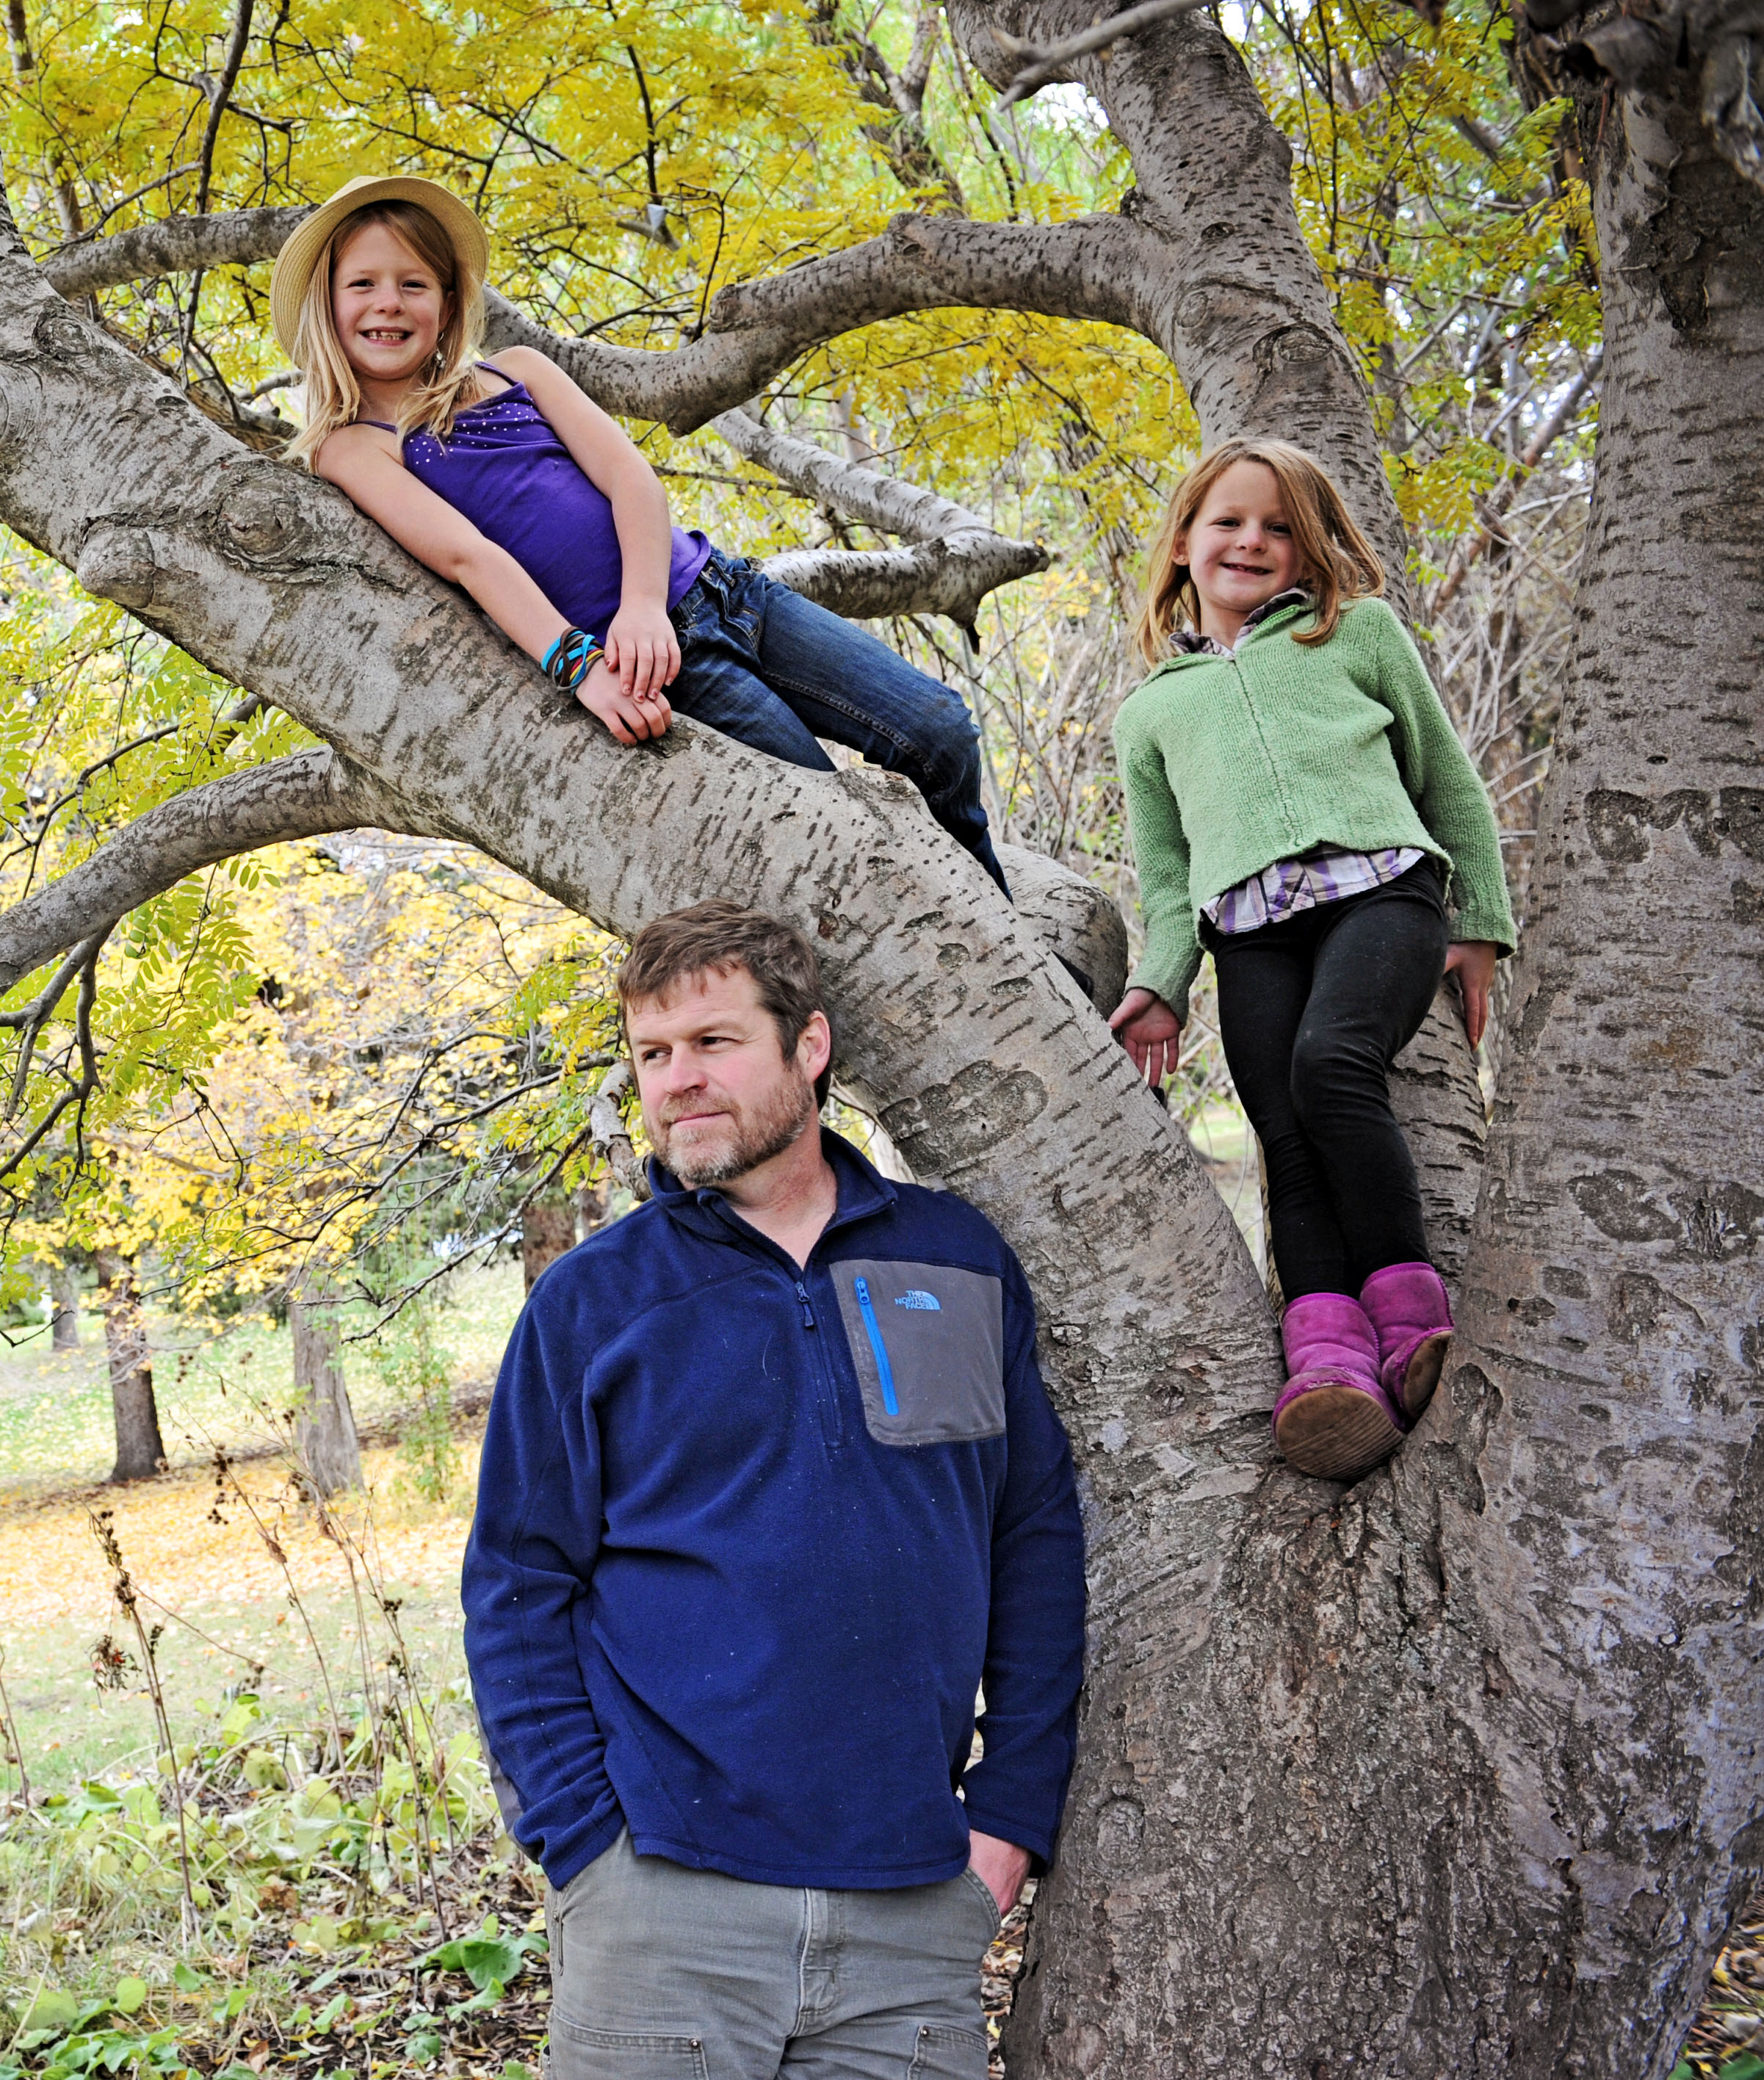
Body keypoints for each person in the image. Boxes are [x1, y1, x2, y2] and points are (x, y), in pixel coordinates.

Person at [464, 903, 1085, 2080]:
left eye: (713, 1043)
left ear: (810, 1047)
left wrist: (1010, 1814)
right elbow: (515, 1585)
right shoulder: (593, 1305)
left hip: (912, 1909)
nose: (677, 1083)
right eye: (652, 1055)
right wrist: (584, 1846)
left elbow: (1033, 1539)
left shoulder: (951, 1261)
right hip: (665, 1908)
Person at [270, 175, 1010, 893]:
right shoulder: (352, 444)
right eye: (361, 284)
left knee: (937, 727)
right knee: (826, 819)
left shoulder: (516, 371)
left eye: (412, 283)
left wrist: (643, 604)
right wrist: (582, 671)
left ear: (448, 299)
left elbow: (631, 481)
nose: (387, 304)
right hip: (653, 666)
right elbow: (469, 557)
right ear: (325, 304)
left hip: (721, 594)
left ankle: (998, 917)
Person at [1105, 438, 1517, 1481]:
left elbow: (1452, 785)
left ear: (1311, 550)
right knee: (1280, 1128)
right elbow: (1166, 876)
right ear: (1184, 546)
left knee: (1330, 1066)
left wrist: (1478, 924)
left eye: (1280, 526)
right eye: (1229, 521)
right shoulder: (1152, 711)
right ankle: (1328, 1361)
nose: (1253, 540)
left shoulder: (1357, 634)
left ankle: (1412, 1317)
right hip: (1249, 930)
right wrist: (1159, 984)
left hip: (1381, 896)